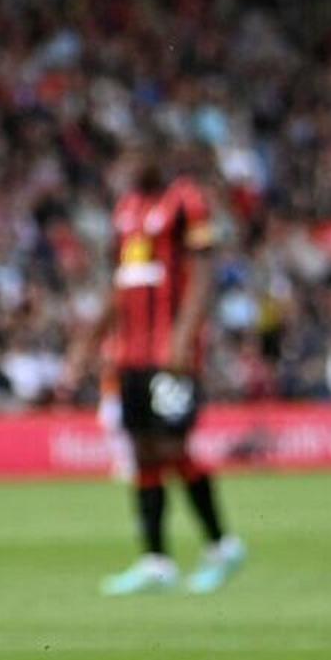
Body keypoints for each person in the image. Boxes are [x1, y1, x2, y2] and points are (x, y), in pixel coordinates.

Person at [76, 141, 244, 596]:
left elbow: (204, 275)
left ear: (155, 160)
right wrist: (88, 346)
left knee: (172, 444)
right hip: (130, 354)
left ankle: (221, 546)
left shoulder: (186, 201)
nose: (126, 166)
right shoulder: (126, 211)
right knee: (143, 450)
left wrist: (184, 339)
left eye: (134, 157)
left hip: (169, 350)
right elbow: (121, 284)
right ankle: (156, 561)